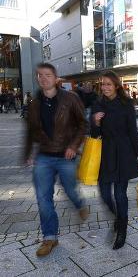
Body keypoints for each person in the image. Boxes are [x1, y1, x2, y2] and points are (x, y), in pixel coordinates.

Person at [24, 63, 88, 257]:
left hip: (65, 156)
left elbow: (83, 124)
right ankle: (50, 237)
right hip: (44, 156)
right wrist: (28, 153)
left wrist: (73, 146)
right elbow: (31, 130)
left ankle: (79, 204)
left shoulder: (70, 98)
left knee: (70, 189)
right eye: (40, 75)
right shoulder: (35, 103)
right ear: (37, 78)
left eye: (48, 75)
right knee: (43, 199)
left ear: (55, 77)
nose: (44, 78)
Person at [91, 70, 138, 250]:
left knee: (120, 194)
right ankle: (118, 216)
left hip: (124, 153)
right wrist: (95, 123)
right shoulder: (97, 104)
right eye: (103, 84)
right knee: (105, 194)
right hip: (105, 155)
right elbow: (94, 135)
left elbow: (133, 132)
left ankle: (122, 228)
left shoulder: (126, 104)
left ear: (116, 85)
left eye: (108, 84)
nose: (105, 87)